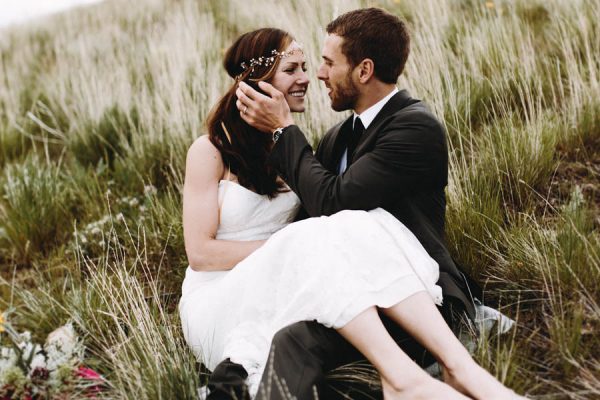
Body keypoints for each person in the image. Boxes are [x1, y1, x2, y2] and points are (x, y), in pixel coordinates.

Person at [180, 21, 525, 400]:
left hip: (403, 290)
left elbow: (329, 207)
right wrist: (289, 248)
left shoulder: (407, 128)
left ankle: (442, 372)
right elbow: (201, 253)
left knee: (301, 323)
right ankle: (412, 379)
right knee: (300, 324)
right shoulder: (222, 150)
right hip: (225, 289)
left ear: (363, 70)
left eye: (316, 65)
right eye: (293, 69)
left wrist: (283, 138)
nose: (313, 77)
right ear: (258, 83)